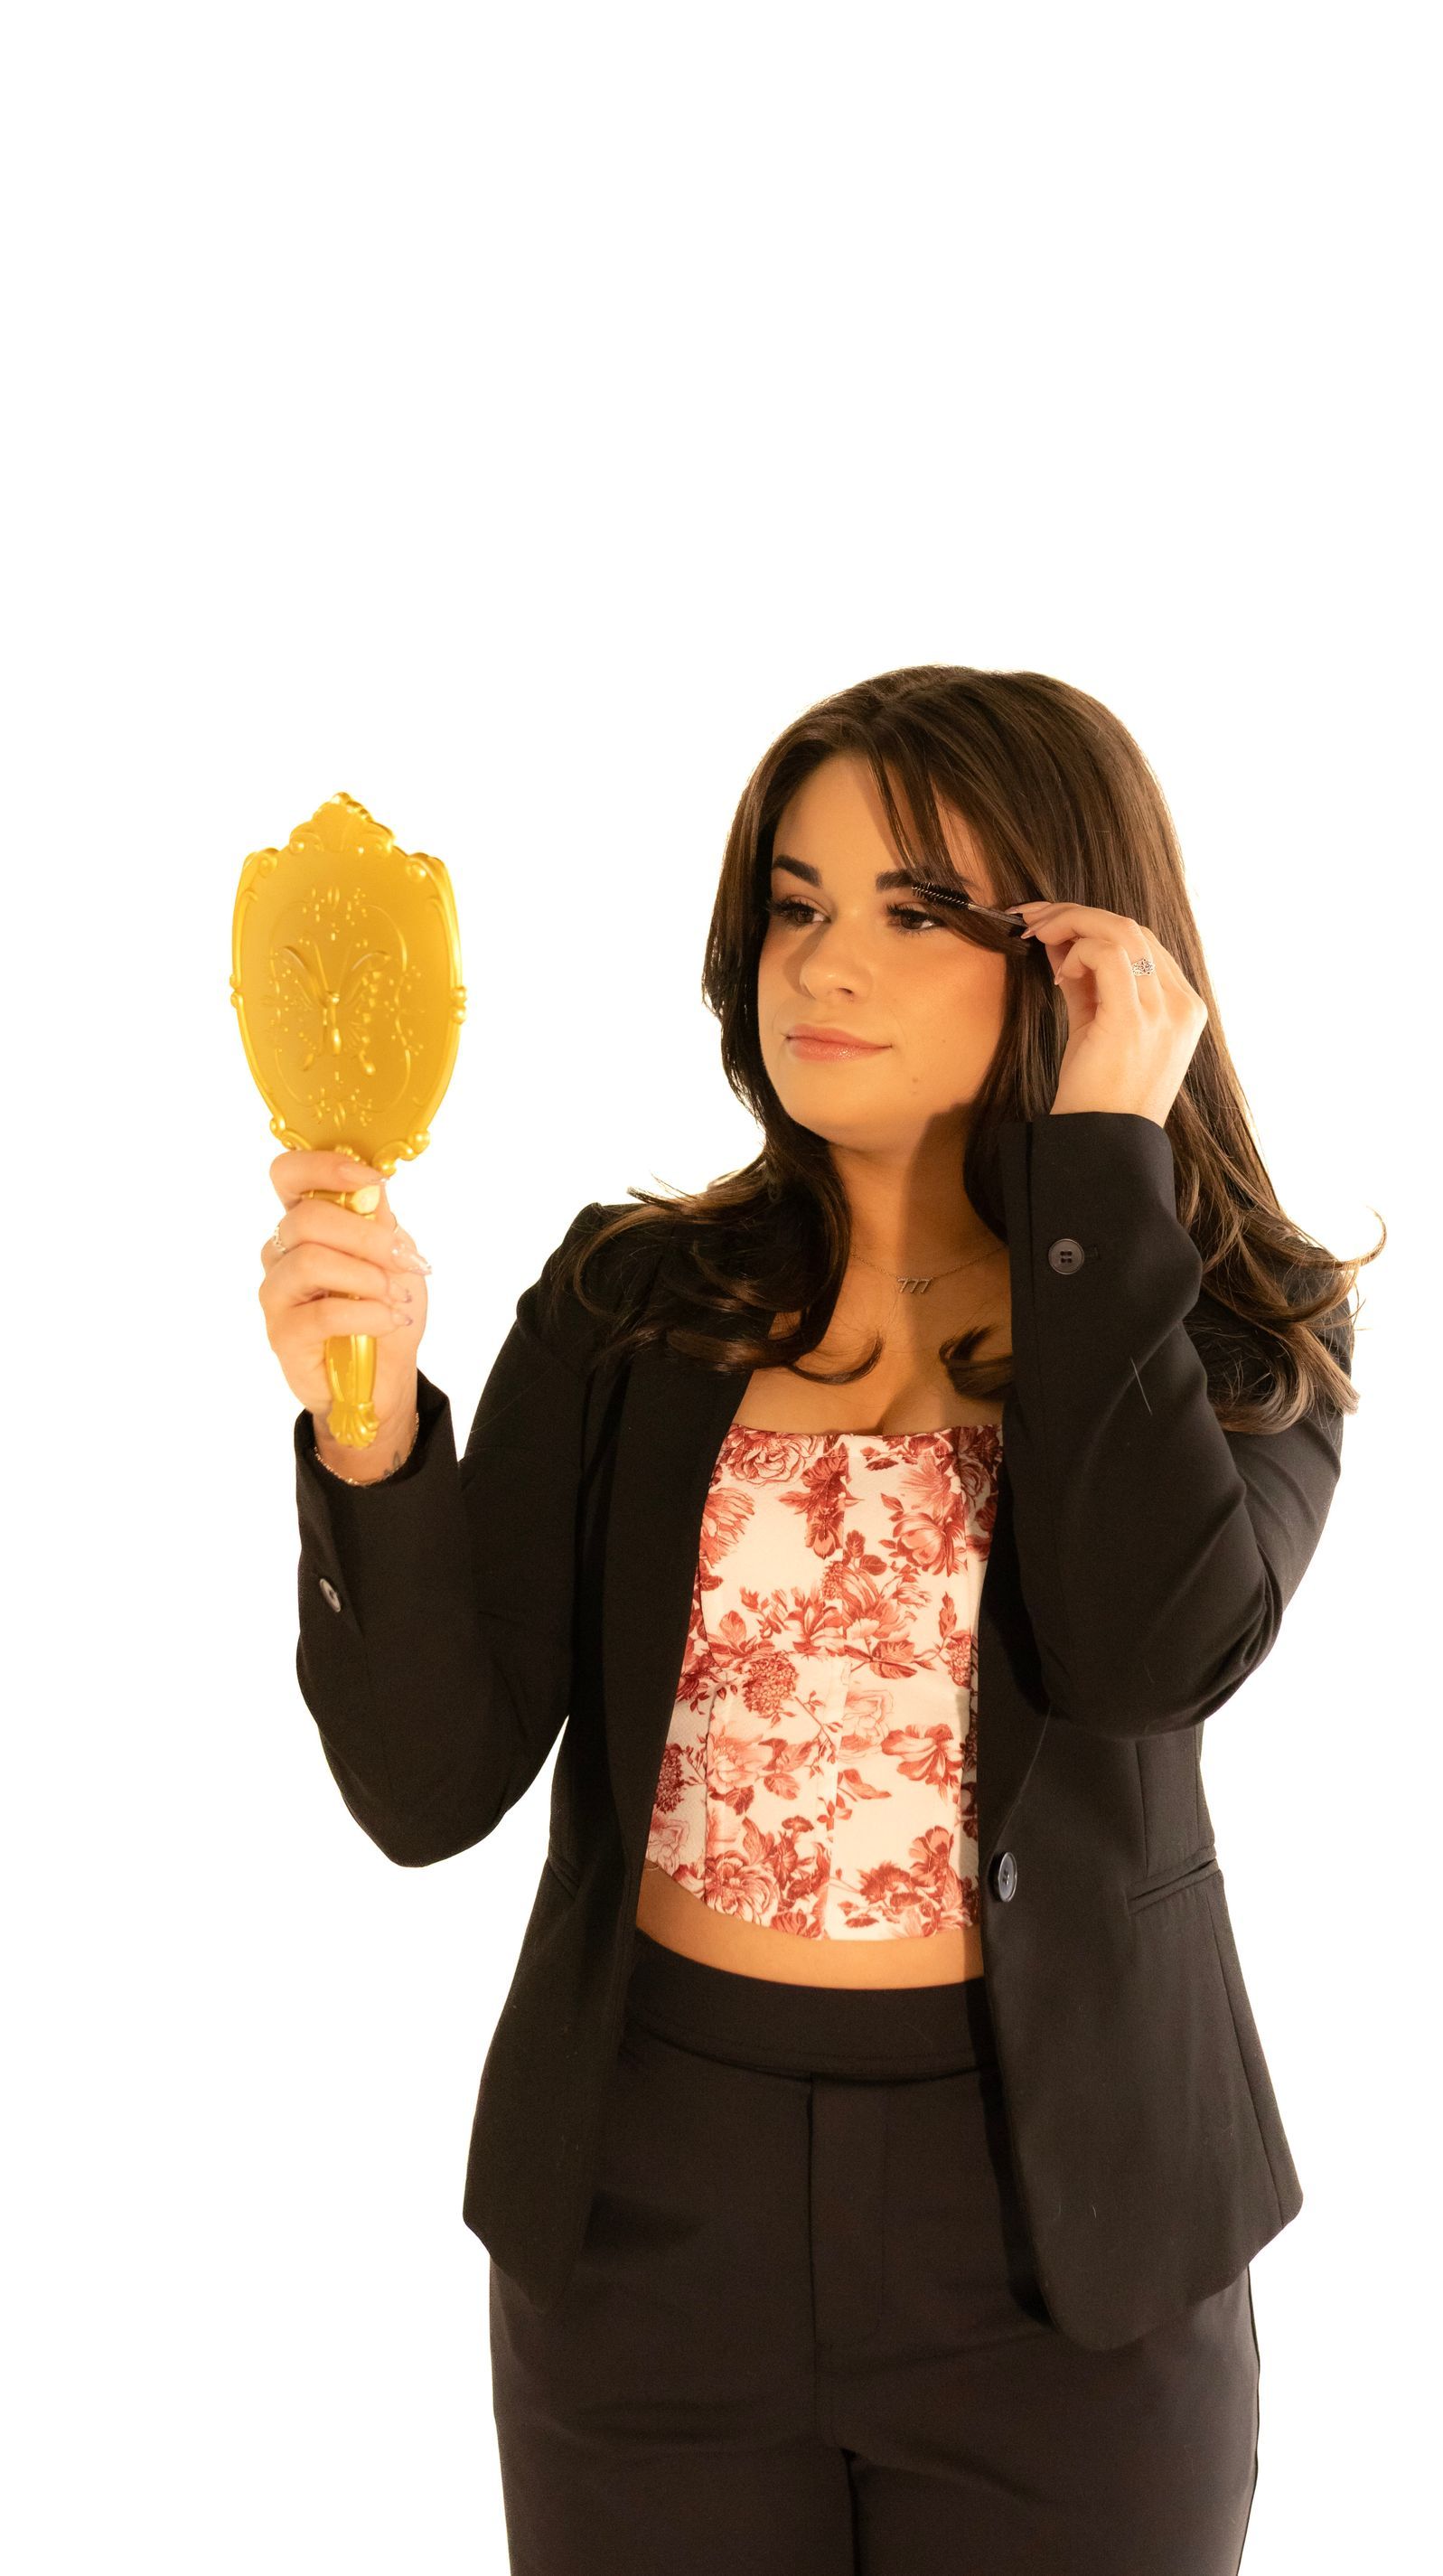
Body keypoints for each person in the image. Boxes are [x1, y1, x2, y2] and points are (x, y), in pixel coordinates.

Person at [261, 665, 1373, 2575]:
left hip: (1065, 2248)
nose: (824, 963)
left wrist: (1105, 1163)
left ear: (1087, 958)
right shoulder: (631, 1303)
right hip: (645, 2212)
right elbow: (431, 1781)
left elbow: (1138, 1652)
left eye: (916, 912)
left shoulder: (1230, 1329)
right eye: (795, 902)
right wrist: (367, 1426)